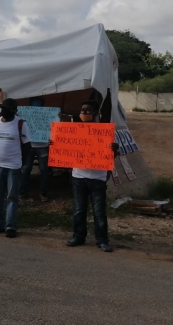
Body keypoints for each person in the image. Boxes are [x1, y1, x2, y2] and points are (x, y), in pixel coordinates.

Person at [53, 100, 119, 252]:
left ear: (95, 113)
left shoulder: (104, 131)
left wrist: (114, 149)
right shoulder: (75, 130)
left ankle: (102, 240)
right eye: (82, 109)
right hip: (79, 176)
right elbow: (64, 146)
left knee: (99, 212)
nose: (83, 112)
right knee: (79, 210)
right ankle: (78, 237)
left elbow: (112, 155)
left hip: (98, 178)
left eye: (88, 110)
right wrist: (54, 144)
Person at [0, 98, 30, 238]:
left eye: (7, 108)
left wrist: (21, 162)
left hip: (13, 167)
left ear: (15, 111)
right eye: (2, 107)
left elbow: (27, 145)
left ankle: (10, 226)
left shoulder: (21, 124)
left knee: (12, 197)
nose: (3, 110)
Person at [20, 97, 51, 202]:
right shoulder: (25, 115)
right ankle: (23, 191)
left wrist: (57, 117)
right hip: (29, 146)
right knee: (26, 169)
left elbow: (56, 127)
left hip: (43, 146)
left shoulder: (49, 115)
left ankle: (43, 192)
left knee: (44, 170)